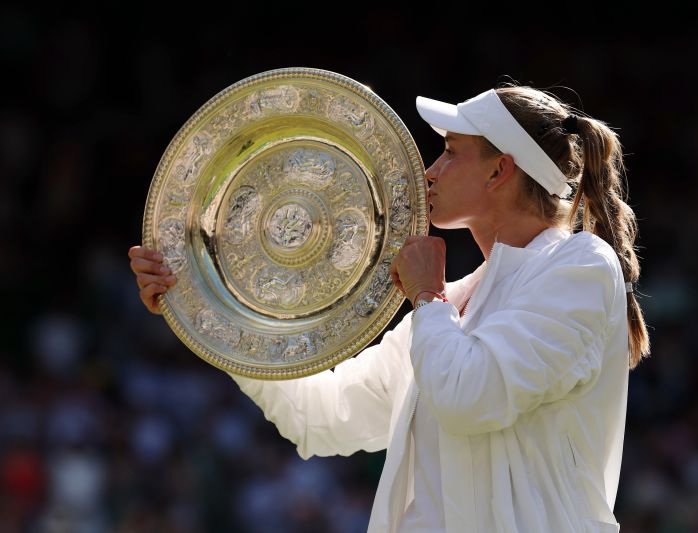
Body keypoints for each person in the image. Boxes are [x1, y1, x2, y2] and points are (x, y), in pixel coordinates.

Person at [129, 82, 650, 532]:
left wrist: (427, 297)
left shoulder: (581, 266)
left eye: (450, 152)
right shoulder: (457, 302)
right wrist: (208, 303)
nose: (430, 170)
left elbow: (471, 397)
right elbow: (322, 416)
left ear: (499, 172)